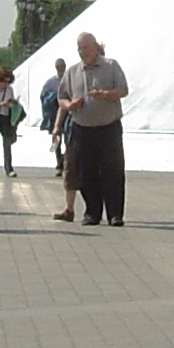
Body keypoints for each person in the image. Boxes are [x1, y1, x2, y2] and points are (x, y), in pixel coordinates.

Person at [59, 32, 130, 226]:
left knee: (112, 170)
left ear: (95, 47)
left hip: (108, 127)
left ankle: (115, 214)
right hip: (82, 128)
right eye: (80, 48)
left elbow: (123, 90)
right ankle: (92, 212)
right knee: (86, 172)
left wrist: (106, 94)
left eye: (86, 48)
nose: (83, 52)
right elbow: (62, 97)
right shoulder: (72, 71)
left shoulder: (111, 66)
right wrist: (70, 105)